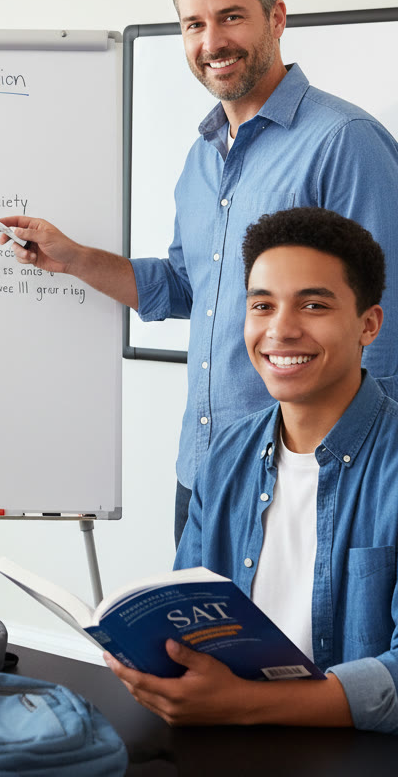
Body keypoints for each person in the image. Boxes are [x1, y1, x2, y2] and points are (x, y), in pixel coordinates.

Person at [0, 0, 398, 544]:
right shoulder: (201, 158)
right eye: (194, 24)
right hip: (205, 470)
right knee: (191, 640)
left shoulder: (345, 142)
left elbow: (383, 323)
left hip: (305, 475)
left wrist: (359, 477)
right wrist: (75, 259)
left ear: (277, 17)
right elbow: (189, 288)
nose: (212, 43)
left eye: (231, 17)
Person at [107, 207, 398, 733]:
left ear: (368, 325)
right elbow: (186, 615)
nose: (280, 330)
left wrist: (242, 705)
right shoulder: (226, 455)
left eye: (313, 304)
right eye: (262, 305)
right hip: (224, 741)